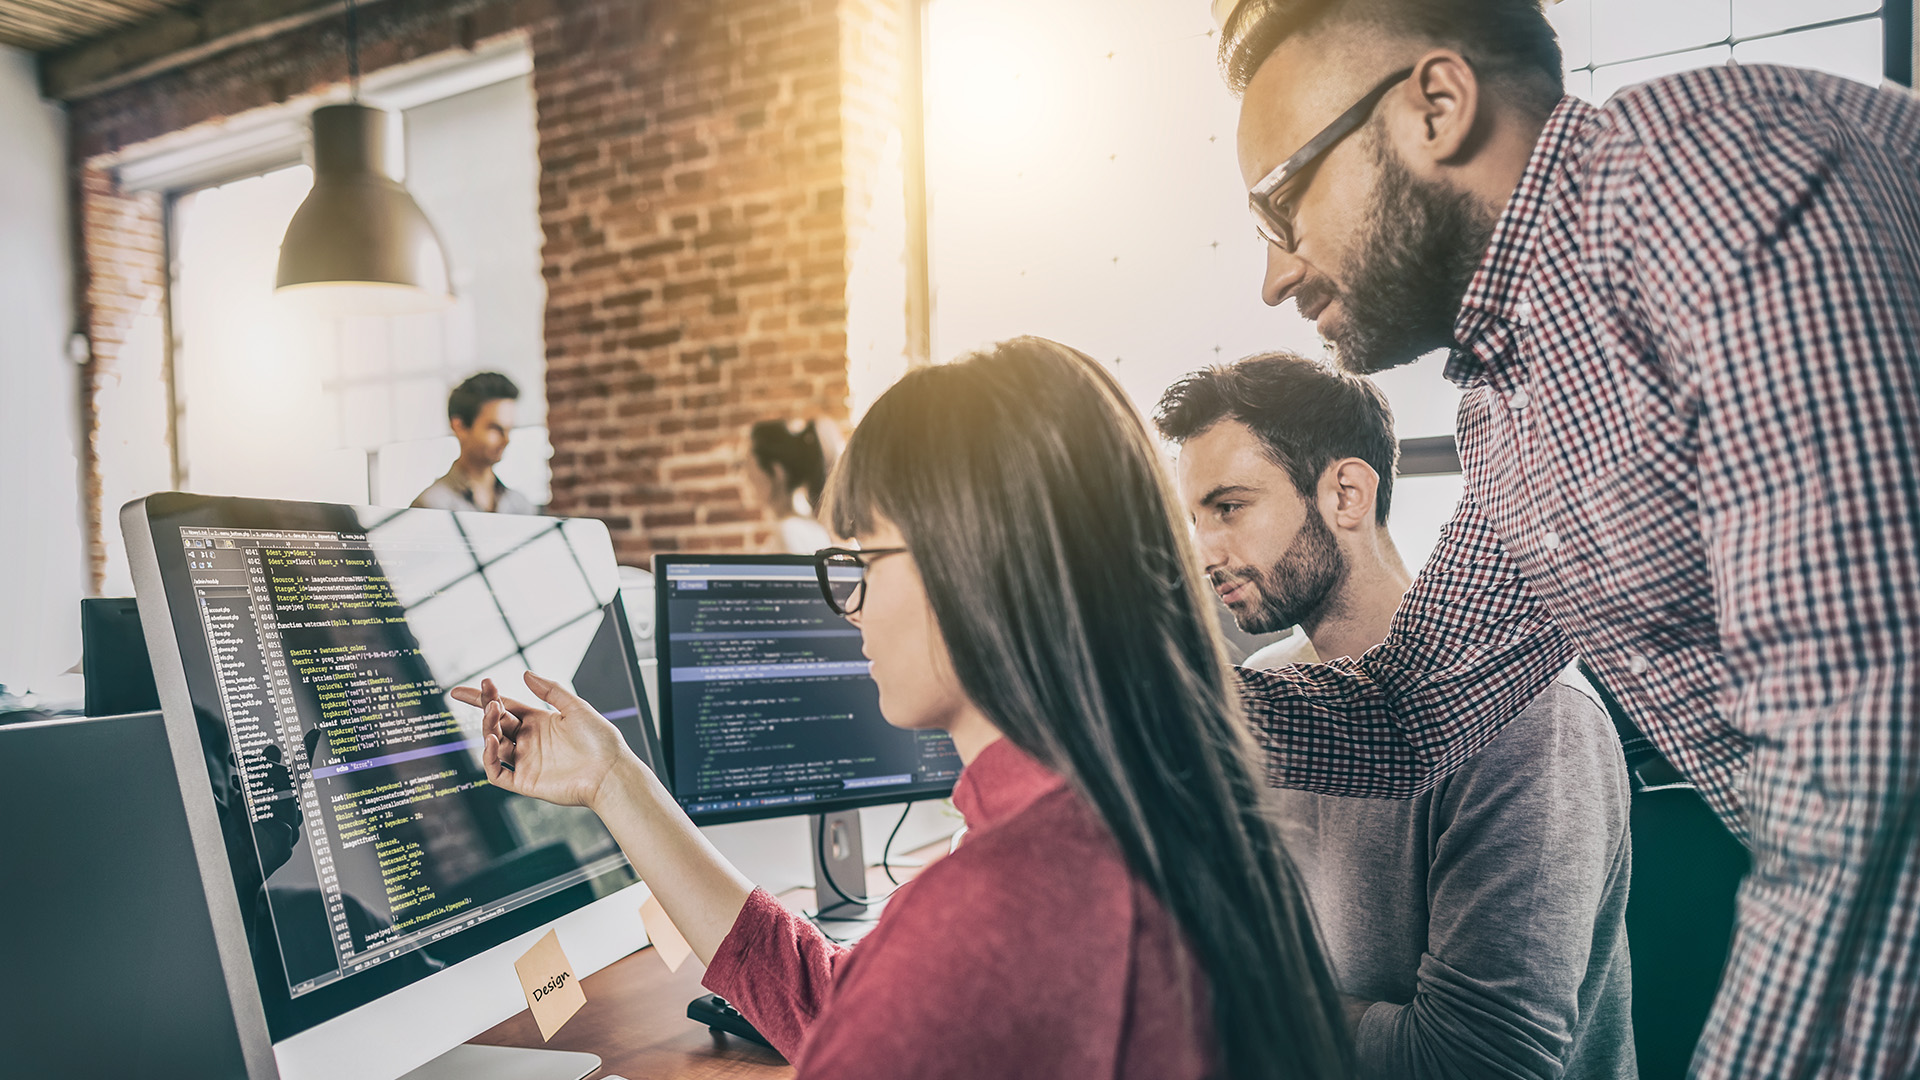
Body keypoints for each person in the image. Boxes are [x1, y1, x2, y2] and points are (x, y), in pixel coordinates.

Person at [1213, 1, 1920, 1075]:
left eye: (1282, 204)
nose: (1276, 275)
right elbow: (1414, 714)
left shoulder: (1724, 187)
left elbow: (1875, 784)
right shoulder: (1514, 400)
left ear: (1437, 105)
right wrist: (1120, 702)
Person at [452, 337, 1352, 1079]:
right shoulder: (1171, 811)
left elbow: (906, 997)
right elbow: (838, 1007)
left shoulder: (991, 917)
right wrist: (614, 778)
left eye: (862, 560)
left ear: (973, 568)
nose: (849, 605)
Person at [1157, 351, 1633, 1080]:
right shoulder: (1266, 687)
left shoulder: (1533, 715)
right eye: (1194, 518)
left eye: (1229, 507)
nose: (1206, 551)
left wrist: (1245, 1011)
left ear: (1346, 493)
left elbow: (1476, 1065)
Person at [412, 372, 537, 514]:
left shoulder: (521, 506)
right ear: (459, 427)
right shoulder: (429, 505)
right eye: (495, 428)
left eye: (509, 429)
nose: (506, 440)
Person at [745, 418, 838, 553]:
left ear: (777, 472)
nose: (747, 477)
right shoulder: (804, 528)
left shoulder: (790, 532)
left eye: (750, 467)